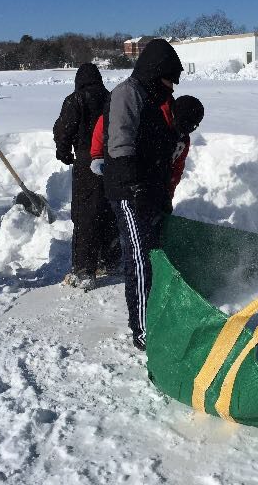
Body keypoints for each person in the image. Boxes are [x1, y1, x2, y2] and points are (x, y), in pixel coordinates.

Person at [102, 38, 183, 351]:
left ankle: (157, 315)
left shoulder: (150, 97)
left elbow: (157, 146)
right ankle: (143, 330)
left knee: (154, 254)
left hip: (148, 191)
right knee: (138, 257)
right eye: (169, 80)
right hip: (128, 191)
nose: (171, 88)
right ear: (156, 72)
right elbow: (120, 144)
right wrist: (134, 184)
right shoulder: (128, 93)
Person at [53, 63, 119, 290]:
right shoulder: (111, 98)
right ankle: (111, 260)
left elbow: (64, 128)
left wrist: (63, 151)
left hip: (85, 161)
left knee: (85, 215)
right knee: (109, 210)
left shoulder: (75, 99)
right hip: (110, 160)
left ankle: (84, 269)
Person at [90, 94, 205, 210]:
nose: (188, 130)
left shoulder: (182, 140)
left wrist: (168, 194)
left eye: (193, 126)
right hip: (124, 174)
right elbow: (108, 120)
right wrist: (98, 155)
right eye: (186, 124)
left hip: (153, 184)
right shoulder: (150, 114)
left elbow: (176, 168)